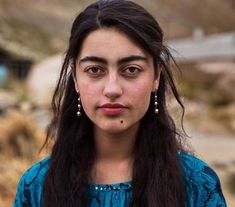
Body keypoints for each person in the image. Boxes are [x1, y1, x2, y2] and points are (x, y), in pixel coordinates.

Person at [14, 0, 227, 206]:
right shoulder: (36, 187)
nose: (112, 89)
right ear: (76, 78)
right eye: (95, 70)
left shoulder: (197, 185)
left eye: (131, 69)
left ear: (156, 77)